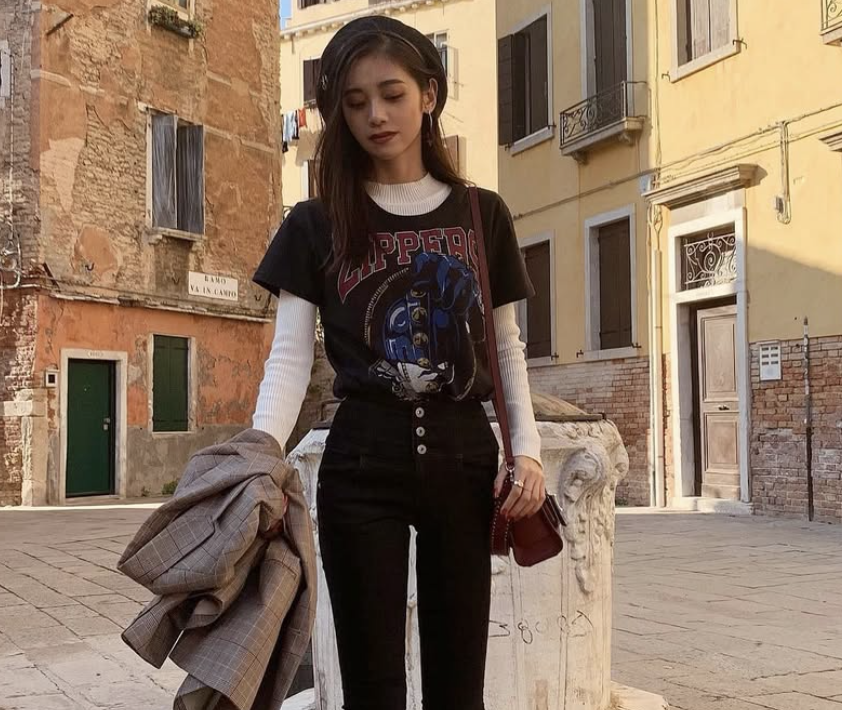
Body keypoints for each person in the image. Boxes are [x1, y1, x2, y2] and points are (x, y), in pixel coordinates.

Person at [252, 15, 545, 710]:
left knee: (458, 687)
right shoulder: (316, 222)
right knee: (371, 688)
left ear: (429, 95)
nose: (376, 116)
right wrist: (258, 456)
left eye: (391, 95)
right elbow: (290, 356)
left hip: (463, 459)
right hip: (361, 460)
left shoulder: (482, 213)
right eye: (355, 103)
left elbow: (504, 346)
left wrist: (527, 451)